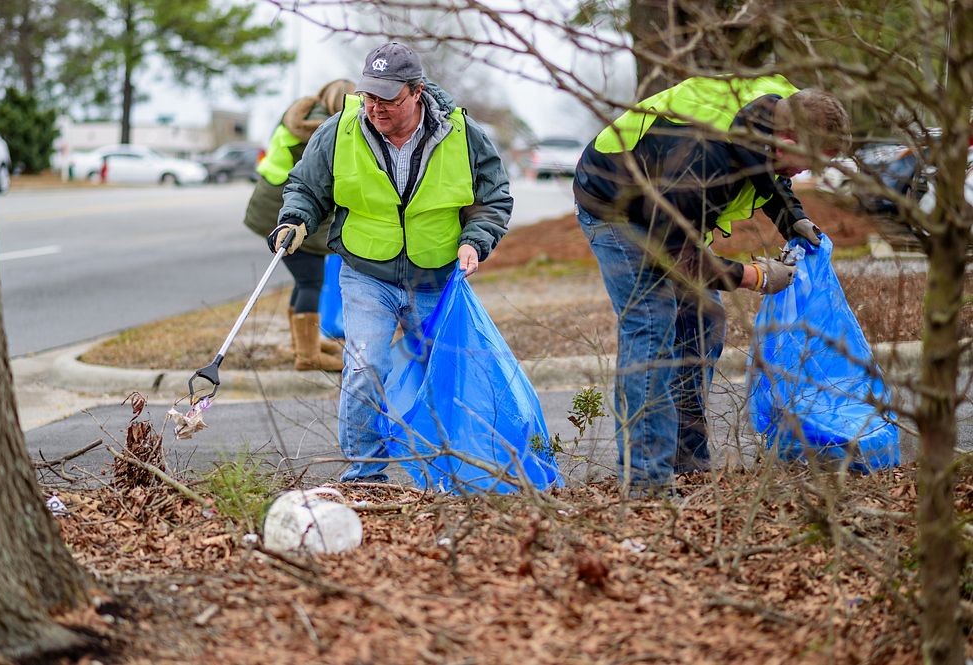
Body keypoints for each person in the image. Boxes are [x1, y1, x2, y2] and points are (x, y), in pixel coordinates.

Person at [573, 75, 851, 494]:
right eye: (807, 157)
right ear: (787, 136)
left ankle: (688, 462)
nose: (807, 168)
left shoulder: (775, 108)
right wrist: (753, 277)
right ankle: (647, 481)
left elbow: (767, 171)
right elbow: (671, 254)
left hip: (667, 210)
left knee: (702, 321)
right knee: (653, 330)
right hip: (617, 209)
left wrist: (791, 217)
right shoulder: (706, 155)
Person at [267, 42, 512, 482]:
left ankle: (455, 469)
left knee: (447, 371)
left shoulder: (462, 133)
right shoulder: (339, 130)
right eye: (370, 97)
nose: (376, 108)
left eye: (388, 98)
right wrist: (296, 220)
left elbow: (493, 198)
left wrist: (476, 241)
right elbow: (305, 187)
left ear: (417, 92)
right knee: (365, 366)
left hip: (437, 275)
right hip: (367, 273)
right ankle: (366, 473)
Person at [243, 79, 356, 372]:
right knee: (310, 280)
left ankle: (302, 343)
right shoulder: (324, 130)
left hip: (269, 202)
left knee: (303, 277)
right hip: (285, 208)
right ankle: (307, 355)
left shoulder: (298, 116)